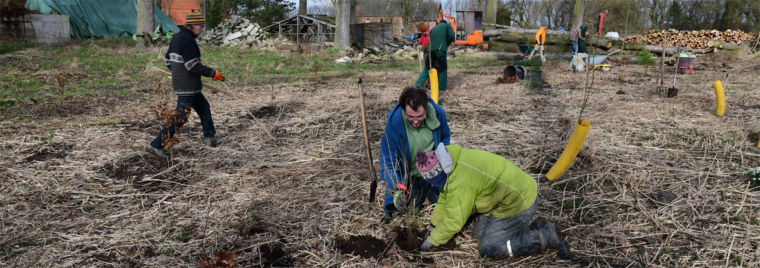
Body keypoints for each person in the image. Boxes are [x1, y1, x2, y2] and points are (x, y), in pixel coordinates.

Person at [415, 144, 570, 260]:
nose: (432, 186)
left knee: (488, 248)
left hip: (517, 203)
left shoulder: (460, 181)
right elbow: (444, 200)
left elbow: (455, 221)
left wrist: (431, 241)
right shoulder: (449, 162)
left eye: (433, 181)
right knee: (477, 238)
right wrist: (433, 226)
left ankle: (547, 236)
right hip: (497, 202)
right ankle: (534, 227)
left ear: (440, 174)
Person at [149, 11, 226, 160]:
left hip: (188, 85)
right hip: (187, 87)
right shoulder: (188, 40)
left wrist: (179, 74)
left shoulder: (177, 37)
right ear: (194, 25)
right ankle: (156, 145)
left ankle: (210, 138)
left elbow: (167, 61)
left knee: (204, 108)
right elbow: (193, 66)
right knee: (181, 117)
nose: (202, 29)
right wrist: (212, 73)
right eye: (201, 26)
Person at [380, 86, 451, 218]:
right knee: (404, 212)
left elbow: (445, 137)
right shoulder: (394, 124)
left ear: (426, 108)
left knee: (445, 209)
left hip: (432, 174)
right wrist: (397, 186)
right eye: (411, 117)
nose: (416, 121)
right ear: (403, 110)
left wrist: (440, 163)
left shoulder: (438, 113)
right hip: (409, 177)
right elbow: (388, 160)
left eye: (420, 116)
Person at [414, 20, 455, 91]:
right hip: (440, 50)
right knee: (443, 70)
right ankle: (441, 88)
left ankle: (417, 84)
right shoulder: (447, 25)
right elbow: (452, 35)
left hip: (430, 50)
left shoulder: (434, 28)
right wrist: (447, 43)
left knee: (427, 68)